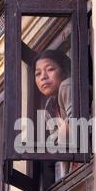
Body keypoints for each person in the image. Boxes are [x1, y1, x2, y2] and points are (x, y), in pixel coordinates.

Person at [33, 49, 72, 180]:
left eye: (50, 69)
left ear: (64, 70)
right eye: (38, 73)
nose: (43, 77)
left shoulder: (67, 85)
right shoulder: (50, 106)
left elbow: (75, 126)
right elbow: (56, 145)